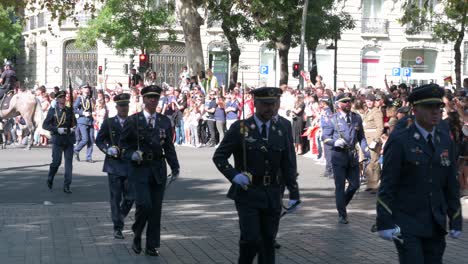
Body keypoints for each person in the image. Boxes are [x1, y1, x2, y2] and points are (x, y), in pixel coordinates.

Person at [376, 84, 462, 263]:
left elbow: (450, 183)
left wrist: (455, 217)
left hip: (435, 222)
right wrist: (384, 221)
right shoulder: (401, 140)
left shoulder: (444, 139)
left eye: (438, 107)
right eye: (429, 107)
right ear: (414, 110)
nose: (436, 112)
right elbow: (388, 183)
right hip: (406, 221)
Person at [213, 87, 299, 264]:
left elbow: (288, 162)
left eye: (273, 104)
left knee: (268, 240)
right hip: (248, 193)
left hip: (273, 192)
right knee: (251, 239)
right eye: (265, 104)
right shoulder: (241, 128)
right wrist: (234, 175)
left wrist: (294, 192)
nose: (270, 108)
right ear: (255, 104)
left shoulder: (282, 128)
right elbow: (219, 156)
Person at [120, 85, 180, 257]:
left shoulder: (164, 121)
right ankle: (137, 233)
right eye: (149, 97)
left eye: (156, 97)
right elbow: (122, 145)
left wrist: (175, 166)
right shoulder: (133, 120)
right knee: (144, 205)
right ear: (143, 99)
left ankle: (152, 245)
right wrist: (132, 154)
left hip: (158, 169)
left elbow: (168, 146)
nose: (153, 100)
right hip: (139, 170)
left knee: (155, 209)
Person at [322, 93, 370, 224]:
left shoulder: (356, 118)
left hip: (352, 156)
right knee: (340, 186)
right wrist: (334, 142)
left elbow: (361, 137)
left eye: (349, 101)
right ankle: (342, 214)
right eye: (345, 102)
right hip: (338, 156)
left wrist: (366, 151)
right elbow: (325, 137)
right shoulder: (332, 119)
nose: (348, 104)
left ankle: (341, 204)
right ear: (338, 105)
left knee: (355, 185)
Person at [95, 93, 134, 240]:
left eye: (126, 106)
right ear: (116, 107)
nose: (124, 108)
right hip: (114, 165)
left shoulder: (134, 122)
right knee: (116, 198)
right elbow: (99, 140)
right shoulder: (109, 123)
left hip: (130, 164)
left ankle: (120, 217)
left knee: (131, 197)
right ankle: (117, 227)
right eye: (121, 106)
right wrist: (107, 149)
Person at [42, 91, 76, 193]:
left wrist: (73, 127)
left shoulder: (69, 110)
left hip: (68, 139)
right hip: (57, 139)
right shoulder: (52, 111)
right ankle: (50, 176)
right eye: (60, 98)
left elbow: (74, 123)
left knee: (68, 164)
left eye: (64, 98)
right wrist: (57, 129)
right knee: (56, 162)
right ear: (57, 99)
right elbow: (45, 125)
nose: (63, 99)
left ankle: (67, 185)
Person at [362, 93, 384, 193]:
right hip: (366, 139)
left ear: (374, 102)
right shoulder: (367, 112)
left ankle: (375, 185)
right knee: (369, 161)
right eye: (367, 101)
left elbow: (380, 127)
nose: (369, 103)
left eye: (371, 101)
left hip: (373, 139)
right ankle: (370, 183)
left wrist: (375, 140)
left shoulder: (377, 112)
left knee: (374, 161)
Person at [73, 84, 95, 163]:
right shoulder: (79, 98)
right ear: (81, 90)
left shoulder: (89, 98)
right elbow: (74, 108)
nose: (87, 89)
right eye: (85, 88)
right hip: (82, 121)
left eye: (88, 88)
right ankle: (76, 150)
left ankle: (88, 157)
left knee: (91, 140)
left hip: (90, 121)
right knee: (85, 139)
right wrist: (82, 113)